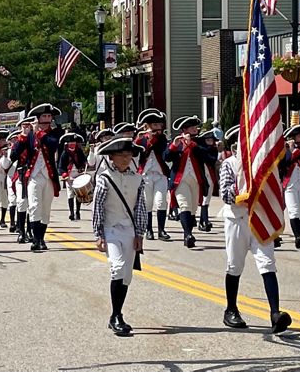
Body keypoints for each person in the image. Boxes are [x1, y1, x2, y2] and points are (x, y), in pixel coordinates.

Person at [219, 135, 291, 334]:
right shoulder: (230, 164)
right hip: (238, 220)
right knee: (235, 265)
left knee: (268, 263)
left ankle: (275, 313)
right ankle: (231, 309)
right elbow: (225, 194)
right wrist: (246, 183)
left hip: (261, 219)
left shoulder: (265, 165)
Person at [91, 136, 147, 337]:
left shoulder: (137, 179)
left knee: (127, 275)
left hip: (130, 230)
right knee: (117, 268)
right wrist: (99, 234)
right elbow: (98, 207)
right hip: (111, 229)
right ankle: (115, 316)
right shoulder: (104, 178)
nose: (125, 159)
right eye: (120, 155)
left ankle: (118, 313)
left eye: (128, 154)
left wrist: (140, 233)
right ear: (112, 157)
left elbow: (140, 207)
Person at [10, 103, 63, 252]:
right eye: (44, 116)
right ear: (38, 119)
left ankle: (41, 238)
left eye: (48, 116)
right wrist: (23, 136)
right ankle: (36, 239)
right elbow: (14, 155)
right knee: (34, 206)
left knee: (46, 209)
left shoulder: (55, 133)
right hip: (33, 176)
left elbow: (52, 145)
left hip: (49, 176)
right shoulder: (30, 135)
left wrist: (38, 133)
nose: (47, 119)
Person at [165, 116, 216, 249]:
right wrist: (174, 146)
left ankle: (188, 234)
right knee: (184, 205)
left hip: (196, 179)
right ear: (185, 129)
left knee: (193, 208)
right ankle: (188, 234)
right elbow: (166, 157)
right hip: (180, 180)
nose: (195, 129)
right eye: (192, 127)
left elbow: (209, 158)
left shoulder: (200, 142)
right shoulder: (177, 141)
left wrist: (193, 145)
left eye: (195, 127)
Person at [134, 109, 171, 241]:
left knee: (161, 202)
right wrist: (144, 138)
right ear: (147, 126)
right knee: (147, 203)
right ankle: (148, 230)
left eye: (159, 125)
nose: (158, 127)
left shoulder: (162, 139)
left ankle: (161, 230)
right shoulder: (140, 139)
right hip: (145, 175)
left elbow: (164, 152)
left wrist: (153, 138)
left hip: (160, 174)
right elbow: (138, 153)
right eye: (154, 125)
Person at [58, 133, 88, 222]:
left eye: (74, 142)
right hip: (69, 175)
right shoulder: (65, 153)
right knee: (70, 194)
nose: (72, 144)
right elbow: (61, 166)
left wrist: (85, 164)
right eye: (71, 142)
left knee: (78, 193)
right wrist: (64, 175)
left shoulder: (79, 151)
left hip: (78, 174)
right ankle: (71, 213)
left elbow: (83, 160)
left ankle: (78, 212)